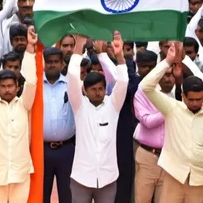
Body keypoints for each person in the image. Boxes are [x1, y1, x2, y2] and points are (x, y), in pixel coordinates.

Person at [0, 25, 38, 203]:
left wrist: (30, 50)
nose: (7, 89)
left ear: (17, 87)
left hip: (21, 173)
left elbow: (32, 82)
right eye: (3, 86)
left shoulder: (25, 104)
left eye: (11, 86)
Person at [67, 31, 129, 203]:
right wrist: (79, 45)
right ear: (84, 91)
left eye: (101, 88)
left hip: (108, 177)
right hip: (81, 178)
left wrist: (120, 56)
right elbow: (72, 76)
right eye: (93, 89)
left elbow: (122, 82)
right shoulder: (79, 106)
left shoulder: (113, 105)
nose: (98, 92)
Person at [140, 41, 203, 203]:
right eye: (191, 99)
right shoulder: (173, 108)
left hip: (199, 181)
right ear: (183, 96)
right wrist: (168, 60)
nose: (195, 103)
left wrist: (185, 61)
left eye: (200, 99)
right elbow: (145, 86)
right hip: (174, 177)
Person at [133, 59, 177, 203]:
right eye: (165, 75)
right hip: (148, 156)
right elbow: (147, 122)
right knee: (142, 200)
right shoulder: (142, 94)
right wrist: (168, 110)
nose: (169, 78)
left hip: (169, 158)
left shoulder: (179, 95)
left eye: (171, 75)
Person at [43, 47, 75, 203]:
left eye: (56, 62)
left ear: (62, 64)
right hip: (42, 150)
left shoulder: (72, 85)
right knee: (42, 195)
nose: (52, 65)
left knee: (67, 195)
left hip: (66, 149)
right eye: (49, 62)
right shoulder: (35, 86)